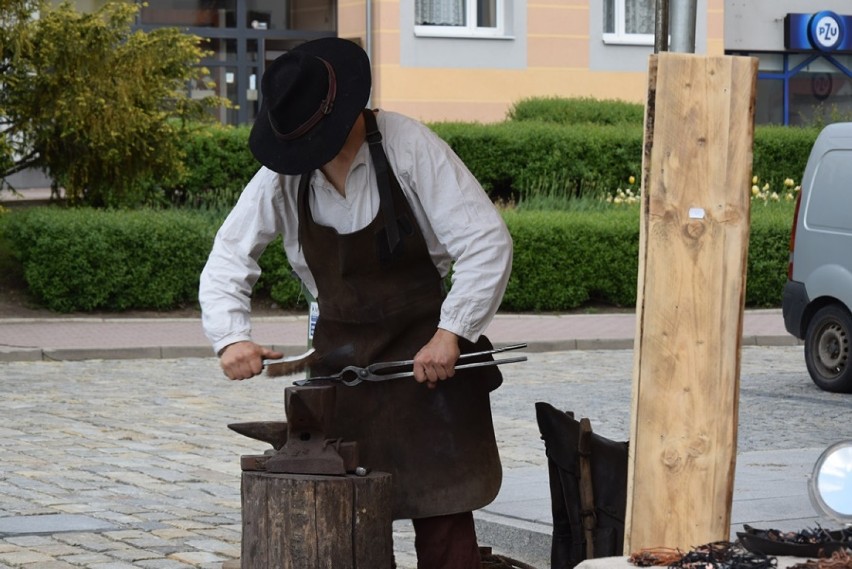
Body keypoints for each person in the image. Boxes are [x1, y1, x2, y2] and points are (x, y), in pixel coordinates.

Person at [199, 36, 513, 569]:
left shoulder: (408, 146)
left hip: (427, 362)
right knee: (350, 528)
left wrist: (450, 334)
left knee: (445, 526)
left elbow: (486, 241)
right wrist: (231, 335)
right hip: (340, 368)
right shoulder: (284, 176)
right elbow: (230, 254)